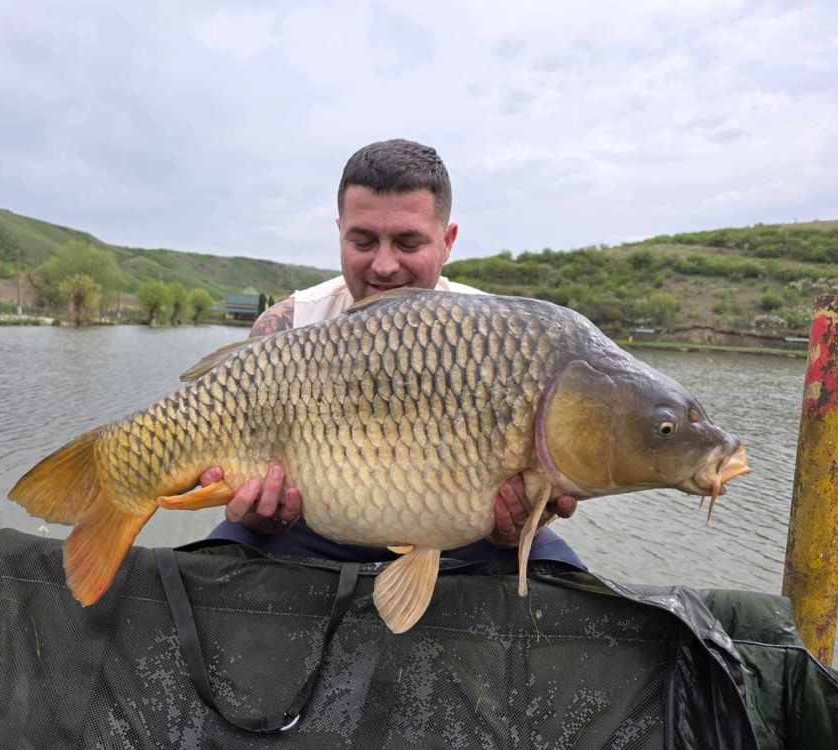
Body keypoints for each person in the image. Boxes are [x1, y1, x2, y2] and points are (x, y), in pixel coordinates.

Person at [199, 139, 583, 567]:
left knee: (562, 572)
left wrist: (511, 528)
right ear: (340, 233)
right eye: (363, 242)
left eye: (408, 243)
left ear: (447, 241)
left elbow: (529, 494)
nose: (384, 265)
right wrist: (263, 514)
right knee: (216, 559)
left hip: (459, 529)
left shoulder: (501, 337)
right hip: (312, 522)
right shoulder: (289, 326)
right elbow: (242, 485)